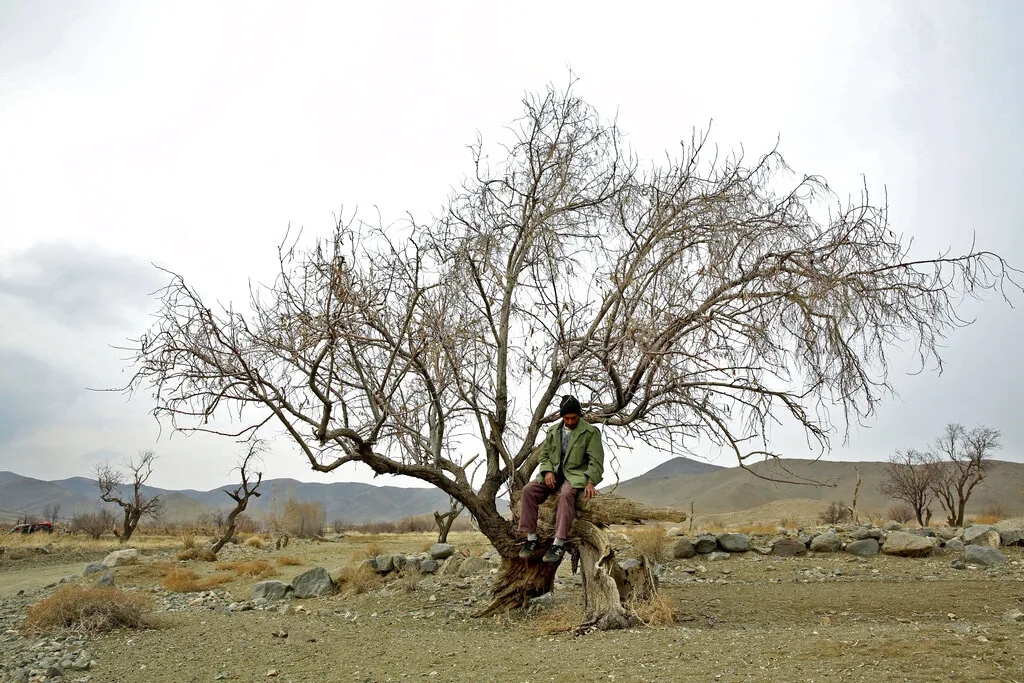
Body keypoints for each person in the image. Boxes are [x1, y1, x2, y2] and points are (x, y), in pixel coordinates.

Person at [518, 394, 605, 563]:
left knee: (566, 494)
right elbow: (544, 455)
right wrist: (548, 472)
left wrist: (591, 481)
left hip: (577, 475)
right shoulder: (552, 431)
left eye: (573, 418)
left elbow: (596, 460)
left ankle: (558, 543)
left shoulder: (590, 432)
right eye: (567, 418)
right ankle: (530, 538)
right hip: (554, 475)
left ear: (579, 414)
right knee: (528, 490)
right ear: (561, 416)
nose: (570, 422)